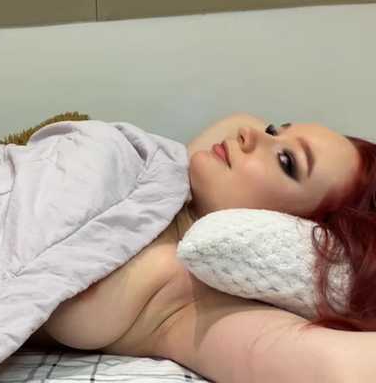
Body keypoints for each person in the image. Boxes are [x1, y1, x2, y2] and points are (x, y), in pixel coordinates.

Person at [25, 112, 376, 382]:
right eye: (275, 130)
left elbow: (334, 366)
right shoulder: (172, 178)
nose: (249, 133)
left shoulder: (189, 299)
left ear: (299, 231)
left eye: (286, 161)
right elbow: (241, 119)